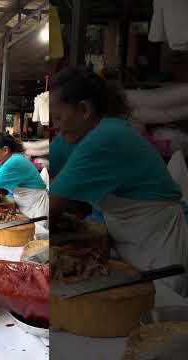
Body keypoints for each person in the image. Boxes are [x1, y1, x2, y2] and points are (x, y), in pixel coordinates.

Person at [49, 66, 188, 297]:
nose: (56, 126)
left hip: (158, 246)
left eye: (58, 117)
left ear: (84, 109)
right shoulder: (75, 134)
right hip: (127, 244)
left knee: (150, 312)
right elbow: (50, 167)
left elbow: (52, 205)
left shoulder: (107, 135)